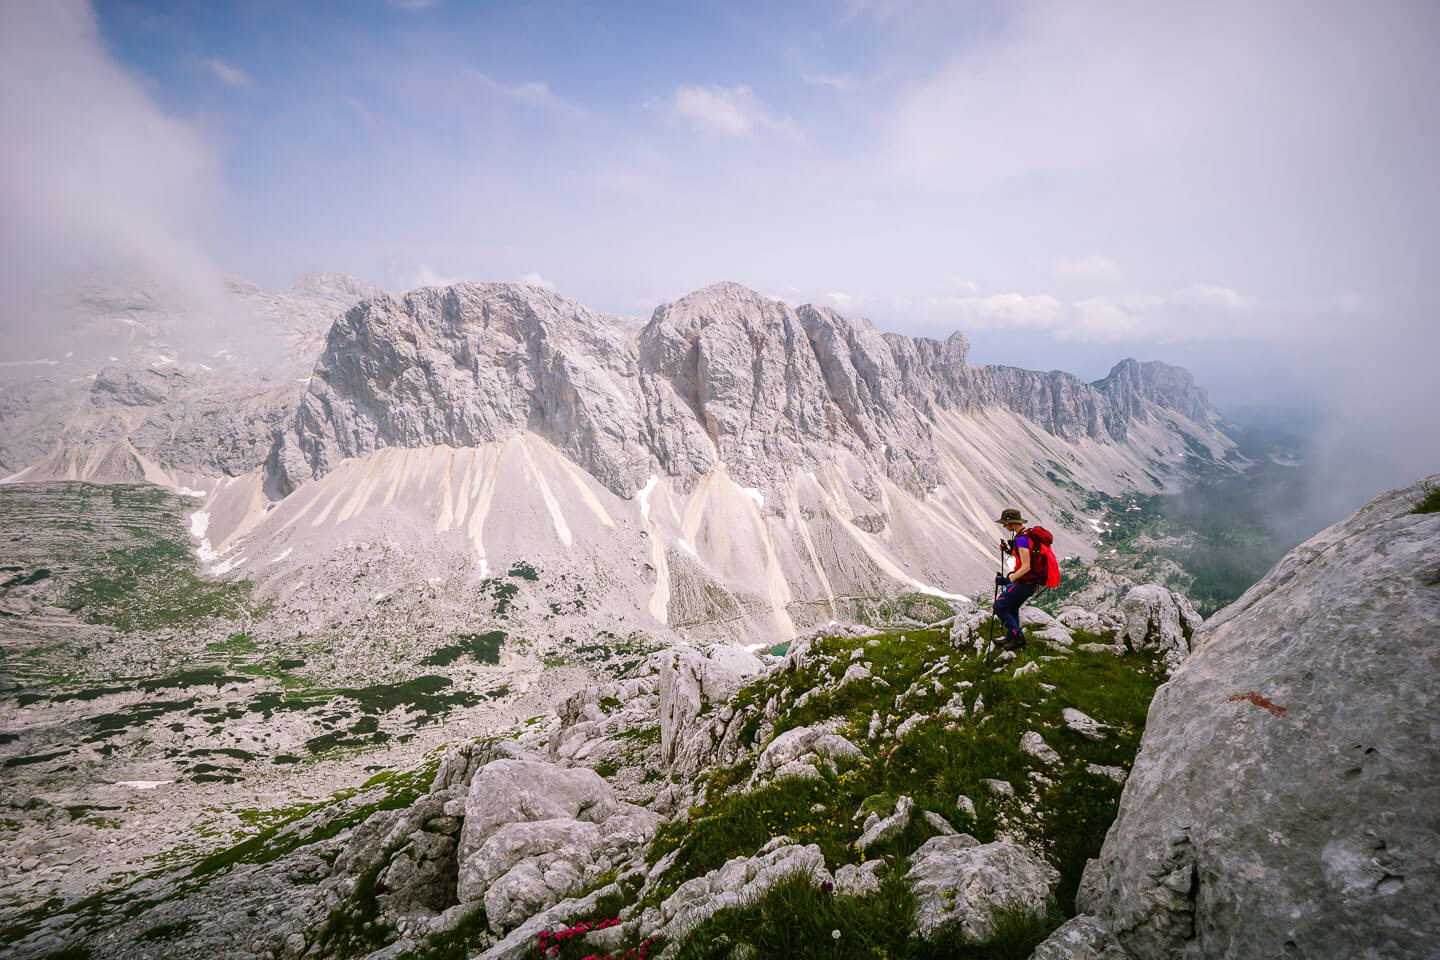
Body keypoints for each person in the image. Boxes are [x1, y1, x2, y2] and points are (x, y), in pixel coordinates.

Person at [993, 508, 1038, 651]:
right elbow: (1023, 556)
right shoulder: (1024, 536)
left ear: (1012, 523)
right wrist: (1008, 550)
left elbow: (1026, 566)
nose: (1004, 526)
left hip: (1025, 582)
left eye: (1005, 524)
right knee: (1012, 607)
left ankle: (1018, 638)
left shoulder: (1022, 539)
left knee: (999, 606)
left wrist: (1008, 580)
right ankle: (1010, 637)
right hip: (1030, 582)